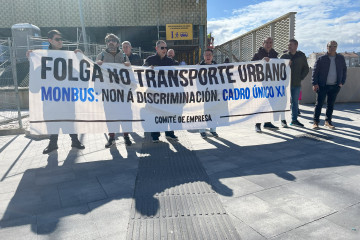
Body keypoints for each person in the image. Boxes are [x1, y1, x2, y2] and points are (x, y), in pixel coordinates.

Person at [27, 30, 85, 154]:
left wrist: (80, 57)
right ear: (50, 40)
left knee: (70, 118)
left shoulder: (68, 54)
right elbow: (38, 73)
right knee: (52, 119)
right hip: (51, 95)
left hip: (66, 94)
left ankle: (75, 140)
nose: (60, 41)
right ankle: (53, 143)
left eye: (61, 39)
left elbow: (77, 72)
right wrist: (32, 59)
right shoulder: (42, 55)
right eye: (57, 39)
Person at [96, 34, 132, 148]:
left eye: (113, 41)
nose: (110, 43)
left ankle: (126, 136)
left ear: (117, 43)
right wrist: (97, 65)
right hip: (108, 92)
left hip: (123, 92)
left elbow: (130, 73)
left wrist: (128, 66)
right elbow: (95, 73)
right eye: (108, 41)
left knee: (125, 115)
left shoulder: (124, 56)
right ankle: (112, 137)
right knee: (110, 116)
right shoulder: (101, 55)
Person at [143, 40, 178, 143]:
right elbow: (141, 70)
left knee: (169, 113)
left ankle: (170, 134)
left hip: (167, 93)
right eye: (162, 48)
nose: (164, 50)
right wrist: (147, 68)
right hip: (154, 93)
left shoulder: (170, 61)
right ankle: (155, 135)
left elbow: (177, 72)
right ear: (156, 48)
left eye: (165, 48)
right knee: (155, 114)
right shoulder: (150, 59)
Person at [312, 40, 346, 130]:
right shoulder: (321, 59)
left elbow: (344, 70)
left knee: (330, 105)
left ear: (336, 47)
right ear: (327, 47)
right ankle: (315, 122)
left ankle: (328, 122)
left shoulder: (340, 58)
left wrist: (342, 82)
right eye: (330, 46)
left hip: (335, 86)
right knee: (319, 104)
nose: (332, 48)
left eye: (334, 46)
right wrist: (314, 83)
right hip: (322, 85)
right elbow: (315, 72)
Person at [251, 37, 279, 133]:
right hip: (260, 84)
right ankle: (257, 124)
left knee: (270, 104)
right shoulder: (257, 54)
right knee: (260, 105)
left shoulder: (275, 55)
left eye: (270, 42)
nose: (268, 44)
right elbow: (251, 66)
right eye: (267, 42)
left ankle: (267, 123)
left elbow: (278, 67)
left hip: (271, 83)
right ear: (263, 43)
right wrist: (261, 61)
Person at [280, 39, 309, 127]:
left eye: (290, 45)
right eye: (288, 45)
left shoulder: (301, 56)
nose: (289, 46)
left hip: (296, 84)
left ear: (296, 45)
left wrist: (301, 77)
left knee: (295, 103)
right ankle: (283, 120)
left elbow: (306, 68)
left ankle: (294, 120)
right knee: (283, 102)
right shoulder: (283, 56)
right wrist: (286, 65)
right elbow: (277, 68)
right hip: (285, 84)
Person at [199, 49, 219, 139]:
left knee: (214, 112)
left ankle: (213, 130)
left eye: (209, 55)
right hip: (203, 93)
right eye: (206, 55)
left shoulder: (217, 67)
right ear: (203, 56)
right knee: (203, 112)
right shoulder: (198, 67)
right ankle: (202, 131)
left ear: (212, 56)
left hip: (214, 93)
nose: (208, 56)